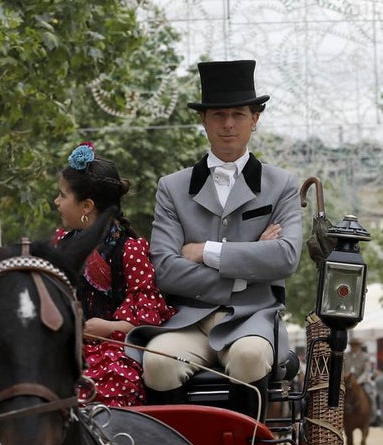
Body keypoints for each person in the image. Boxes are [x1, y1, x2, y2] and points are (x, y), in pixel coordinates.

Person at [126, 59, 302, 417]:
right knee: (157, 361)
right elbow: (166, 270)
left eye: (238, 114)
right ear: (203, 120)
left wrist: (206, 251)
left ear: (255, 118)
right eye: (218, 114)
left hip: (253, 318)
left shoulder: (281, 184)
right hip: (189, 320)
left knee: (250, 357)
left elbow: (285, 257)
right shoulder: (172, 188)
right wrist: (250, 261)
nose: (227, 124)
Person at [52, 142, 174, 407]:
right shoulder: (60, 244)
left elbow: (147, 321)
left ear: (86, 206)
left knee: (101, 389)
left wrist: (106, 328)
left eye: (62, 195)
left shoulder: (129, 250)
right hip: (66, 348)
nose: (56, 202)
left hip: (114, 352)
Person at [344, 338, 381, 425]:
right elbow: (342, 369)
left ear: (359, 346)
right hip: (347, 381)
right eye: (353, 345)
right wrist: (345, 377)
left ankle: (373, 415)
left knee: (372, 393)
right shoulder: (345, 356)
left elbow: (367, 371)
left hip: (361, 381)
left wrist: (358, 381)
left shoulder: (365, 357)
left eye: (356, 345)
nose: (354, 347)